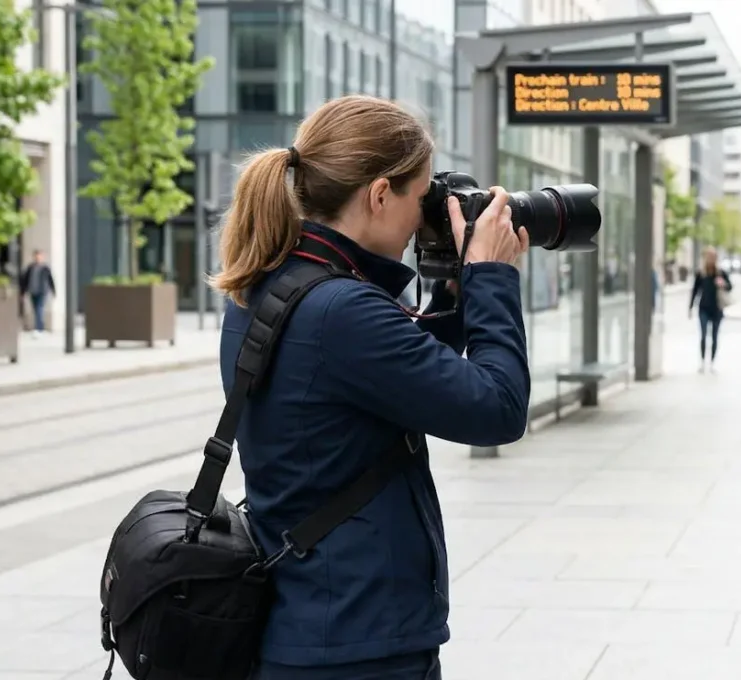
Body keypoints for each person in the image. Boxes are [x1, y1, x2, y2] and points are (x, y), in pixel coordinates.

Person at [209, 95, 530, 680]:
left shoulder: (270, 286)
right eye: (420, 197)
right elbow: (498, 408)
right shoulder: (342, 309)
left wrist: (457, 290)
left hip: (306, 622)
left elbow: (394, 373)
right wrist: (493, 278)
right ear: (380, 195)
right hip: (358, 643)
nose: (422, 219)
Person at [688, 247, 732, 373]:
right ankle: (702, 362)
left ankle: (712, 362)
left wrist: (723, 283)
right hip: (703, 308)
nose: (711, 259)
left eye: (713, 257)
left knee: (714, 336)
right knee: (703, 336)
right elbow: (695, 291)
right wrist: (690, 307)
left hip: (717, 309)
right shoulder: (701, 274)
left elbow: (729, 287)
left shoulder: (721, 273)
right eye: (709, 256)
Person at [19, 249, 56, 337]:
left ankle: (39, 328)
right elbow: (25, 280)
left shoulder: (45, 268)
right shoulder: (30, 268)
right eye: (36, 256)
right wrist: (23, 292)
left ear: (42, 257)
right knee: (36, 309)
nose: (37, 258)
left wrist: (53, 291)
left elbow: (50, 280)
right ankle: (40, 326)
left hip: (42, 291)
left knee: (39, 308)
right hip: (33, 291)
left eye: (39, 256)